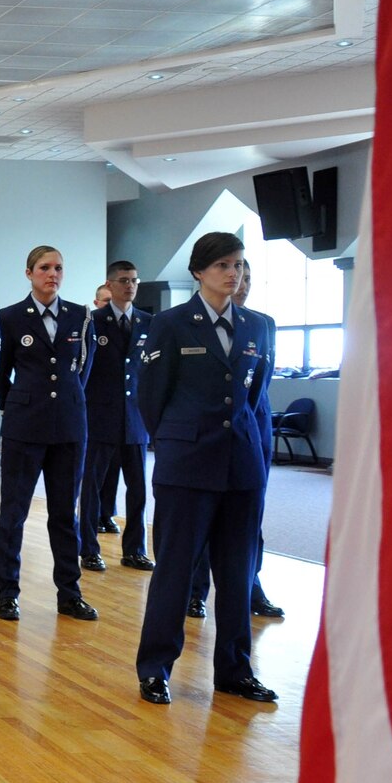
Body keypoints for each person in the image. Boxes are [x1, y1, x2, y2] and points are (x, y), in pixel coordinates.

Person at [133, 231, 280, 706]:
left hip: (241, 467)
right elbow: (151, 397)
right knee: (174, 571)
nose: (233, 275)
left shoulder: (259, 326)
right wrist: (177, 439)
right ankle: (155, 669)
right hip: (186, 465)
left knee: (238, 574)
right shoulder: (171, 324)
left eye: (237, 265)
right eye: (222, 266)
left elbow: (255, 398)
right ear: (199, 272)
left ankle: (235, 670)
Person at [0, 246, 97, 622]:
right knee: (13, 513)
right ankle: (7, 592)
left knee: (65, 514)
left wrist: (65, 400)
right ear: (29, 273)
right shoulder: (9, 317)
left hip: (69, 426)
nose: (52, 274)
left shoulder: (81, 316)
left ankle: (69, 592)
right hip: (24, 426)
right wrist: (18, 404)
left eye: (58, 268)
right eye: (44, 268)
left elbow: (83, 368)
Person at [186, 258, 284, 618]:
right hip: (209, 432)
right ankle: (196, 591)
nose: (241, 282)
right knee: (205, 515)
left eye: (247, 276)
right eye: (234, 273)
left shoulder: (262, 324)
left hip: (252, 429)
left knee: (248, 520)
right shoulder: (195, 324)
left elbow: (262, 379)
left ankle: (250, 588)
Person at [81, 261, 153, 573]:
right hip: (100, 417)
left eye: (134, 280)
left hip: (136, 419)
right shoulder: (92, 321)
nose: (130, 286)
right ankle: (88, 548)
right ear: (109, 285)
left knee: (138, 490)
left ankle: (135, 549)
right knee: (92, 488)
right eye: (123, 280)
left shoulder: (150, 323)